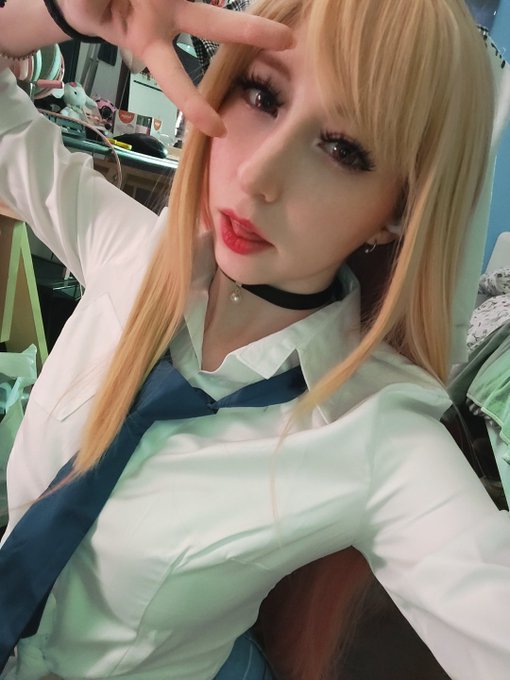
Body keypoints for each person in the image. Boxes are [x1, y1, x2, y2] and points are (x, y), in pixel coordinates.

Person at [0, 0, 509, 679]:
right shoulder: (133, 255)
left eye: (342, 150)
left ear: (396, 213)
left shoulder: (375, 433)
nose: (258, 176)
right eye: (263, 95)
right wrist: (69, 12)